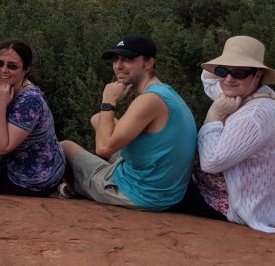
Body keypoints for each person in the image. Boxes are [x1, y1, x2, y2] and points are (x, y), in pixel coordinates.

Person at [59, 34, 197, 210]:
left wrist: (108, 100)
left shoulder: (150, 100)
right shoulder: (163, 92)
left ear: (148, 63)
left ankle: (76, 190)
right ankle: (103, 174)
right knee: (97, 119)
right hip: (166, 189)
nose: (118, 66)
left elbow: (103, 147)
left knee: (64, 148)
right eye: (116, 59)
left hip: (142, 193)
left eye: (128, 59)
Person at [192, 36, 275, 232]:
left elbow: (211, 163)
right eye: (222, 71)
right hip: (241, 195)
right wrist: (225, 67)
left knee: (166, 191)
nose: (228, 79)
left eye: (239, 72)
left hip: (234, 204)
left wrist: (213, 116)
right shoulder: (249, 93)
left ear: (258, 75)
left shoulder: (254, 115)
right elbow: (208, 79)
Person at [0, 39, 66, 196]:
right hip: (44, 166)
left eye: (12, 66)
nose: (3, 70)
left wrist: (0, 106)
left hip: (32, 180)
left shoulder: (29, 101)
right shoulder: (13, 89)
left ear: (26, 70)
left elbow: (1, 147)